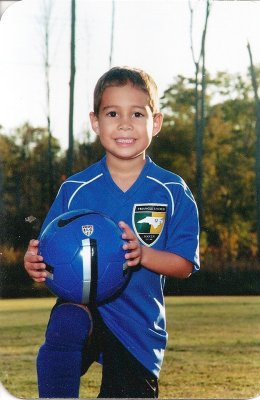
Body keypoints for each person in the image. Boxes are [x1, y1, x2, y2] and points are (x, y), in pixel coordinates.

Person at [24, 66, 200, 398]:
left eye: (137, 113)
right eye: (112, 113)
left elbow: (185, 265)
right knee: (67, 324)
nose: (124, 123)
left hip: (139, 326)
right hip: (86, 309)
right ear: (95, 122)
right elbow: (46, 252)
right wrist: (34, 262)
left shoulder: (171, 191)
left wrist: (143, 254)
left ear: (156, 123)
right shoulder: (75, 189)